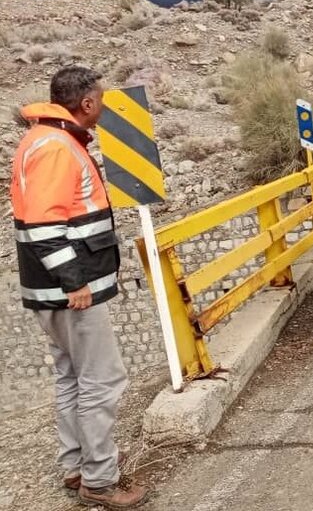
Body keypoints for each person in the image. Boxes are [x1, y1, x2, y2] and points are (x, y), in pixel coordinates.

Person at [10, 66, 148, 509]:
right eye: (100, 100)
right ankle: (100, 480)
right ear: (86, 103)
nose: (103, 107)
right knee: (102, 380)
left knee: (71, 377)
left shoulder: (42, 139)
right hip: (71, 291)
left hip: (50, 291)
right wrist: (76, 283)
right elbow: (45, 226)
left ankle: (79, 464)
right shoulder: (56, 148)